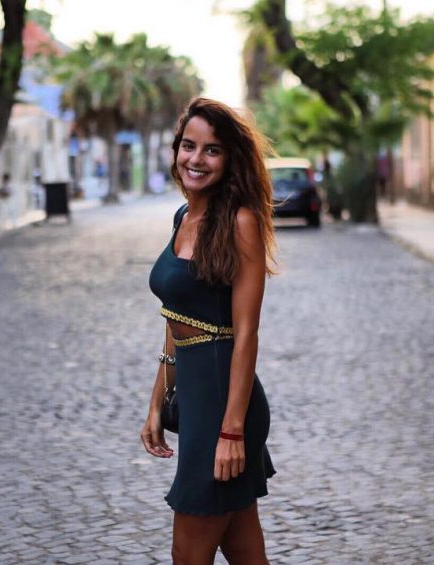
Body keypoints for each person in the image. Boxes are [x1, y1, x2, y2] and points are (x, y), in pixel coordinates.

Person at [142, 97, 277, 564]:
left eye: (212, 150)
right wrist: (157, 401)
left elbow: (247, 334)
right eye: (189, 146)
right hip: (197, 398)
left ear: (229, 158)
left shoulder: (241, 222)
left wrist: (232, 432)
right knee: (244, 553)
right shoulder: (183, 217)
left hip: (226, 406)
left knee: (188, 554)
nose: (196, 159)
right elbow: (175, 319)